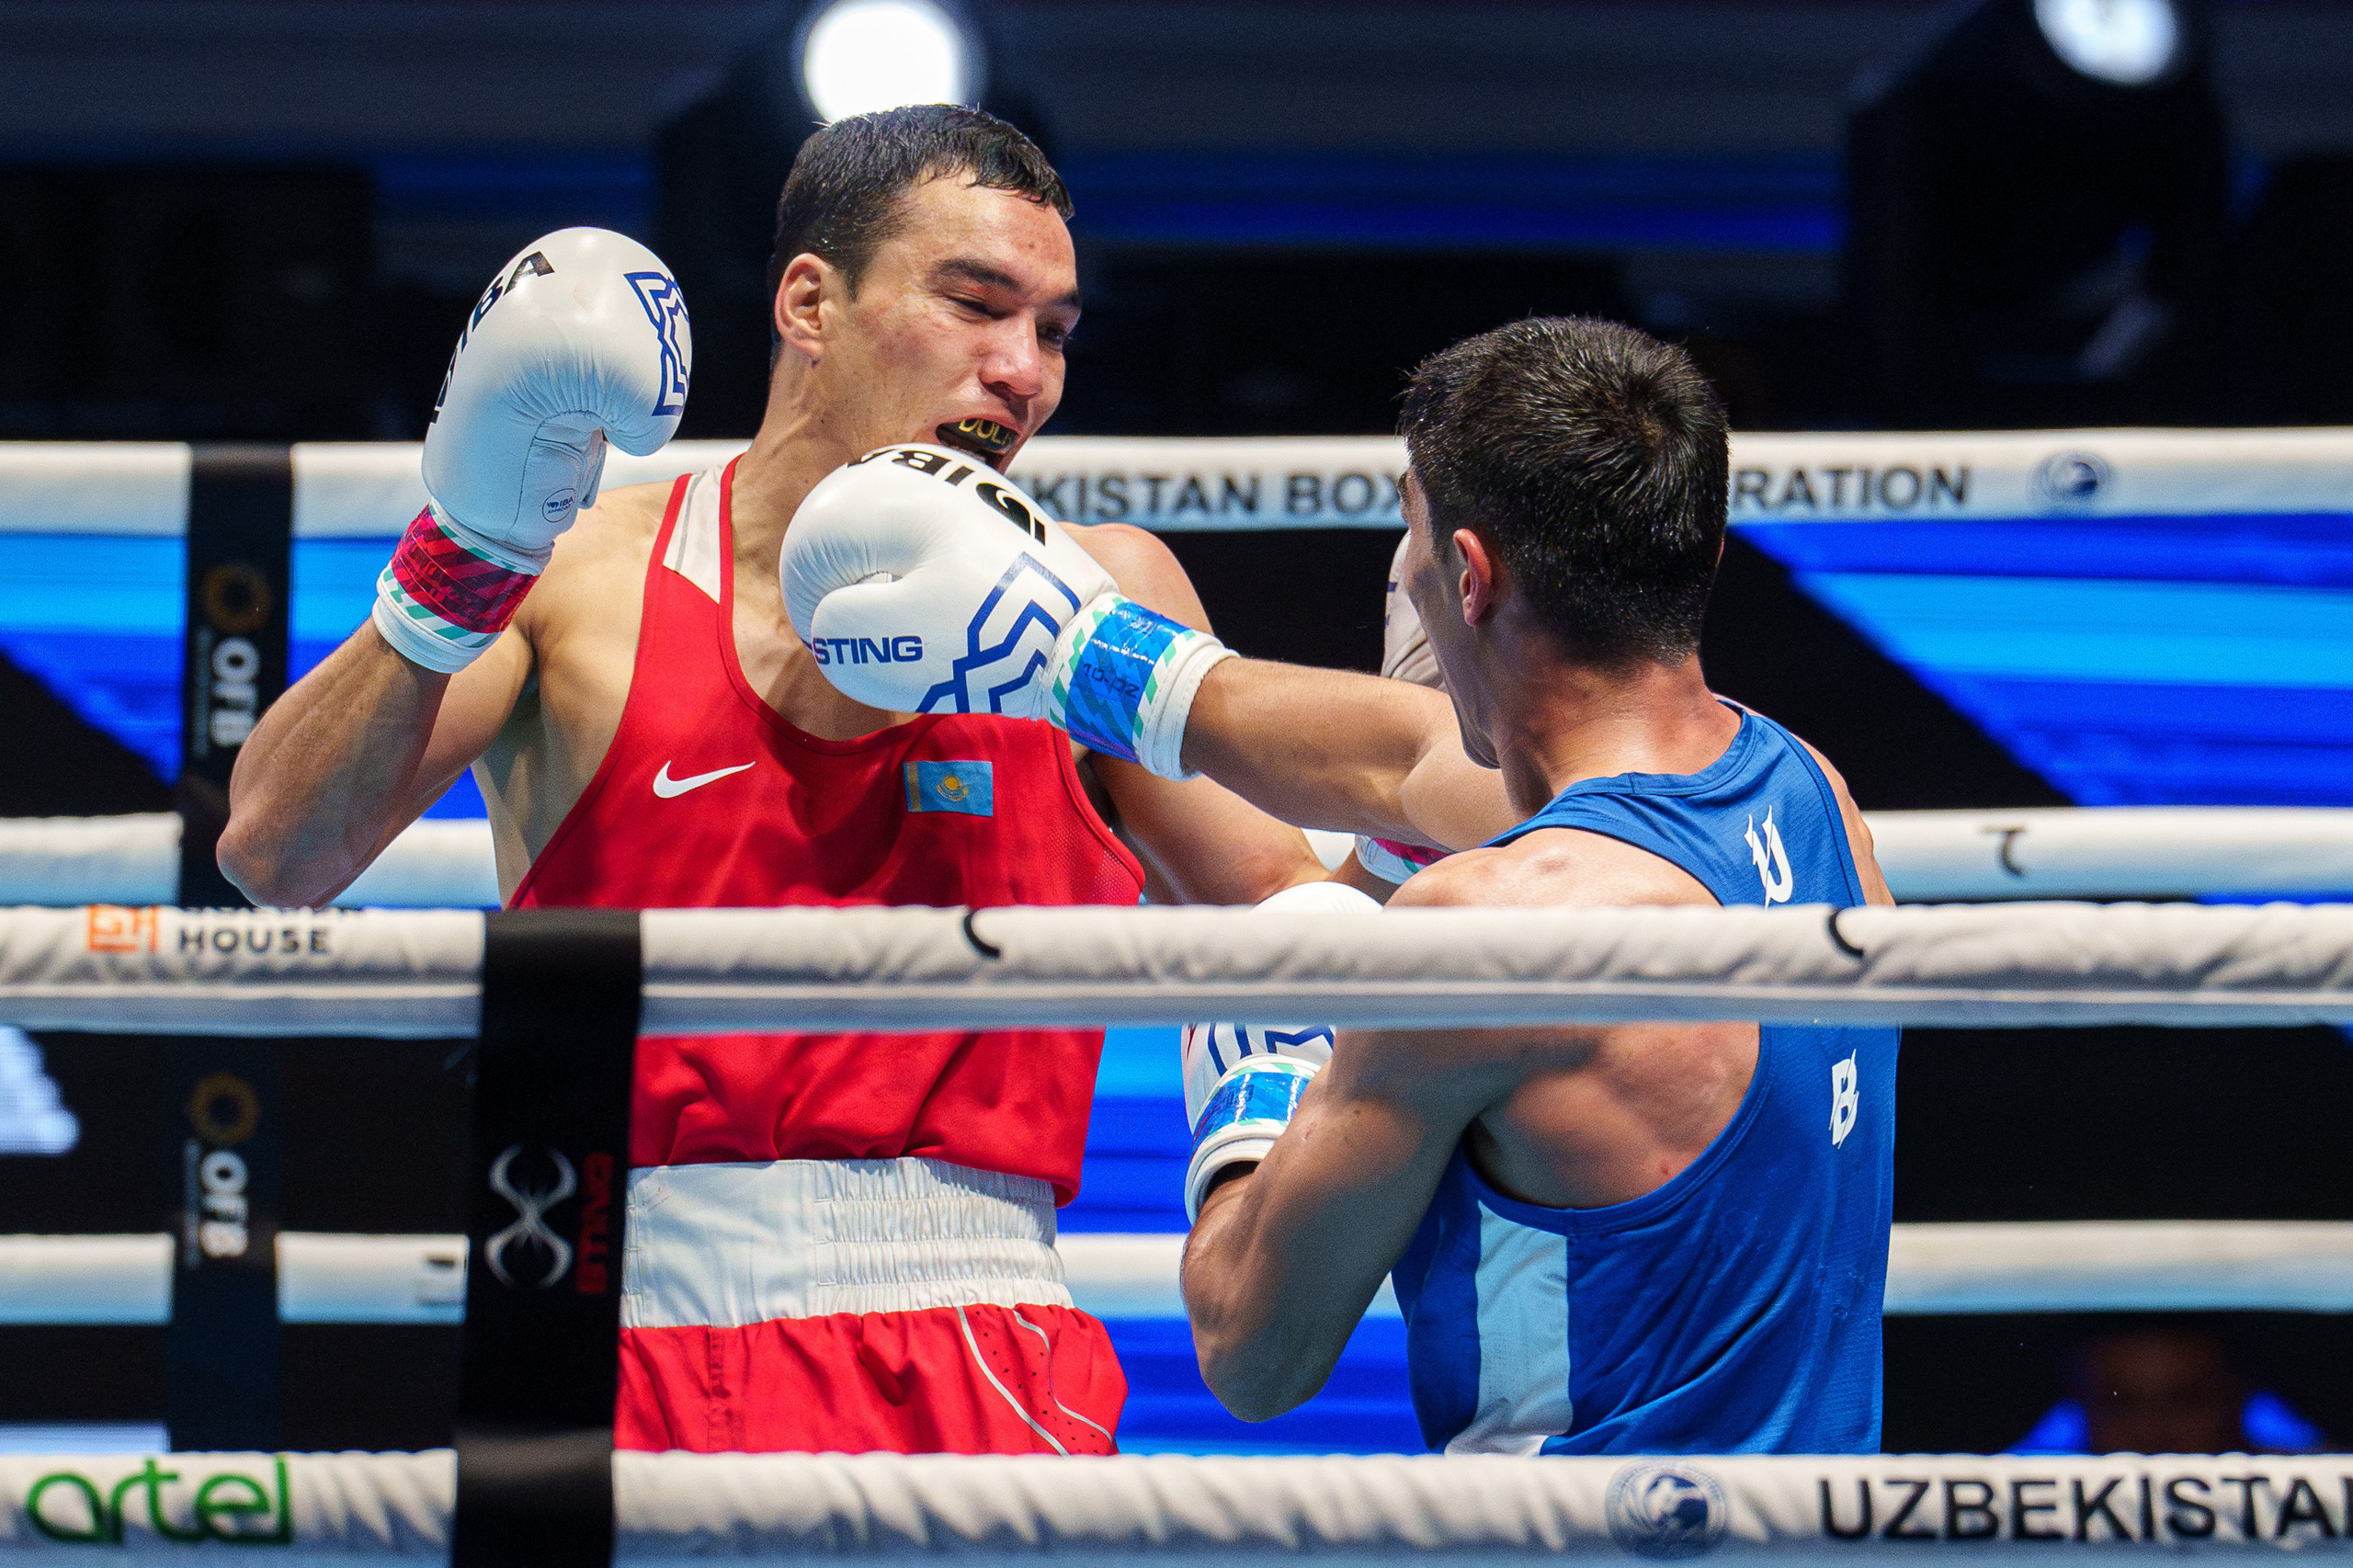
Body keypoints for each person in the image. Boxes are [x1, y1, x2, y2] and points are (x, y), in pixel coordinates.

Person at [220, 106, 1325, 1456]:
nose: (1021, 369)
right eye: (978, 305)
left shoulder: (1102, 594)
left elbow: (1292, 923)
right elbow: (275, 848)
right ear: (812, 300)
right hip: (598, 1320)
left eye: (1053, 331)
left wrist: (1244, 1166)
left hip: (974, 1334)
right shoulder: (580, 575)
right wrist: (464, 546)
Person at [787, 315, 1899, 1453]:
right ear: (1700, 554)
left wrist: (1263, 1054)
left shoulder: (1488, 937)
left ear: (1466, 577)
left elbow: (1251, 1348)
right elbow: (1382, 758)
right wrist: (1083, 651)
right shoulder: (1816, 799)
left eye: (1410, 540)